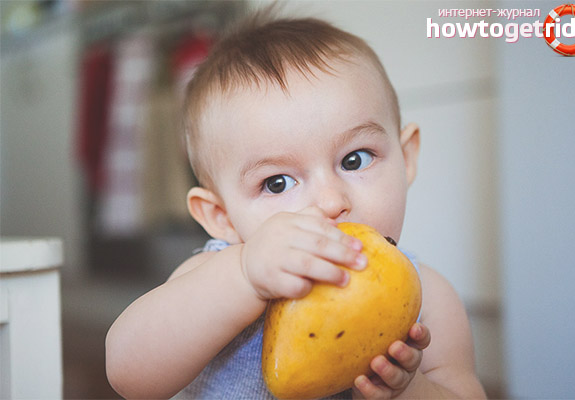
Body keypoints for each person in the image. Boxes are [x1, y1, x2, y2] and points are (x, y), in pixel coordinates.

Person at [105, 9, 486, 400]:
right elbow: (128, 373)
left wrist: (410, 388)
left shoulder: (427, 297)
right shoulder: (215, 273)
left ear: (405, 158)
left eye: (355, 160)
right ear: (222, 217)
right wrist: (245, 276)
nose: (330, 202)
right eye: (277, 183)